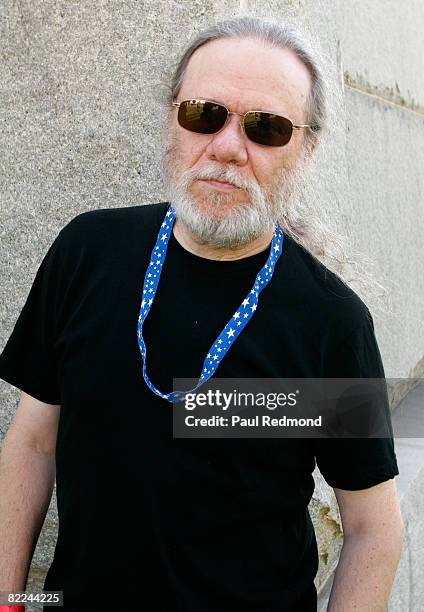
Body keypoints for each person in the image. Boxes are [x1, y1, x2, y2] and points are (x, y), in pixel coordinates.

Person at [0, 16, 404, 612]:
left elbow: (374, 525)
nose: (227, 147)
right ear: (173, 120)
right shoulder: (87, 254)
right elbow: (32, 442)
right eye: (203, 114)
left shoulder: (329, 323)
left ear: (307, 150)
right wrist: (10, 599)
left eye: (266, 128)